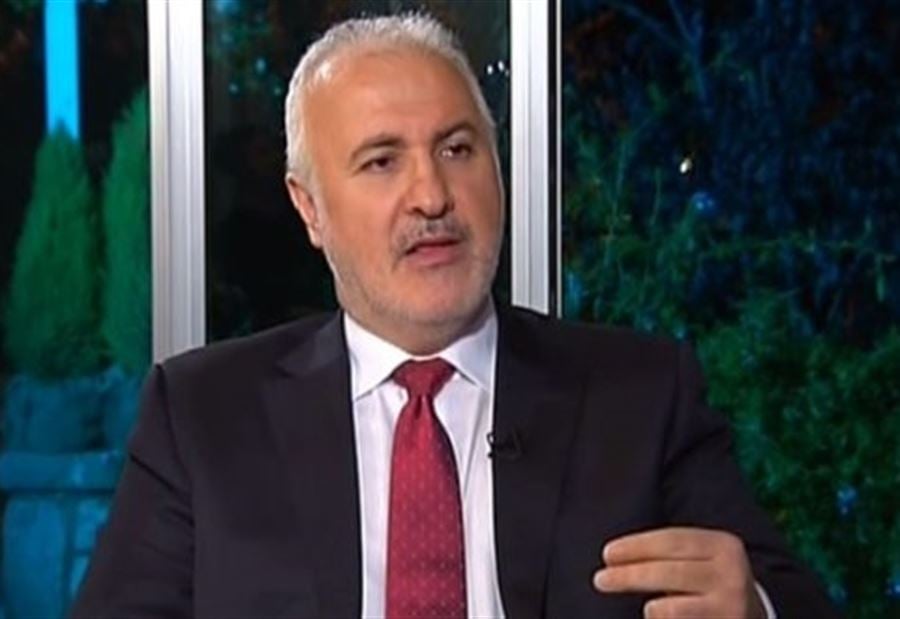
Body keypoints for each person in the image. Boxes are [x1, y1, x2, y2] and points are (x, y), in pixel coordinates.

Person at [72, 13, 838, 619]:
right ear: (309, 208)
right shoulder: (202, 413)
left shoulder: (641, 395)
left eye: (458, 149)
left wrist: (756, 609)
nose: (432, 196)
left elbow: (786, 596)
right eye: (382, 161)